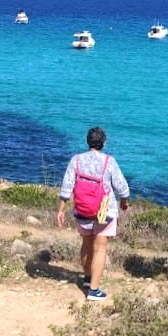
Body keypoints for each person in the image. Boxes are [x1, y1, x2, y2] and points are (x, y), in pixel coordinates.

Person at [56, 126, 130, 301]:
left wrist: (60, 209)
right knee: (100, 248)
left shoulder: (76, 160)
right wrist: (124, 202)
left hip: (82, 210)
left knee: (86, 245)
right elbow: (122, 187)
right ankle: (94, 290)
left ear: (88, 141)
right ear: (103, 143)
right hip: (104, 213)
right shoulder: (108, 161)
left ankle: (88, 279)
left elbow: (67, 186)